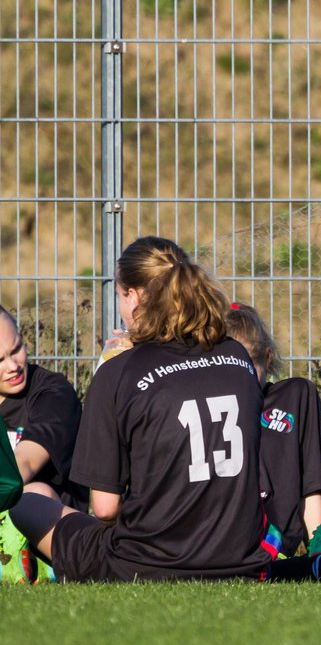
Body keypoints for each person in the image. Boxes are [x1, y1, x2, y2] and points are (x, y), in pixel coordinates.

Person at [8, 236, 271, 582]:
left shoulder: (119, 372)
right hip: (242, 560)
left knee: (29, 499)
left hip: (146, 565)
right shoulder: (237, 356)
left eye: (118, 295)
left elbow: (104, 509)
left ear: (131, 295)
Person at [224, 302, 321, 558]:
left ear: (268, 358)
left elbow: (310, 483)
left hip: (276, 545)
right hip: (226, 539)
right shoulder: (212, 405)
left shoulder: (294, 397)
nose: (243, 381)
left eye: (250, 368)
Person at [0, 305, 87, 582]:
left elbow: (23, 463)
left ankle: (40, 567)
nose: (13, 366)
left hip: (49, 530)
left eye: (16, 349)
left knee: (28, 494)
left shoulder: (53, 393)